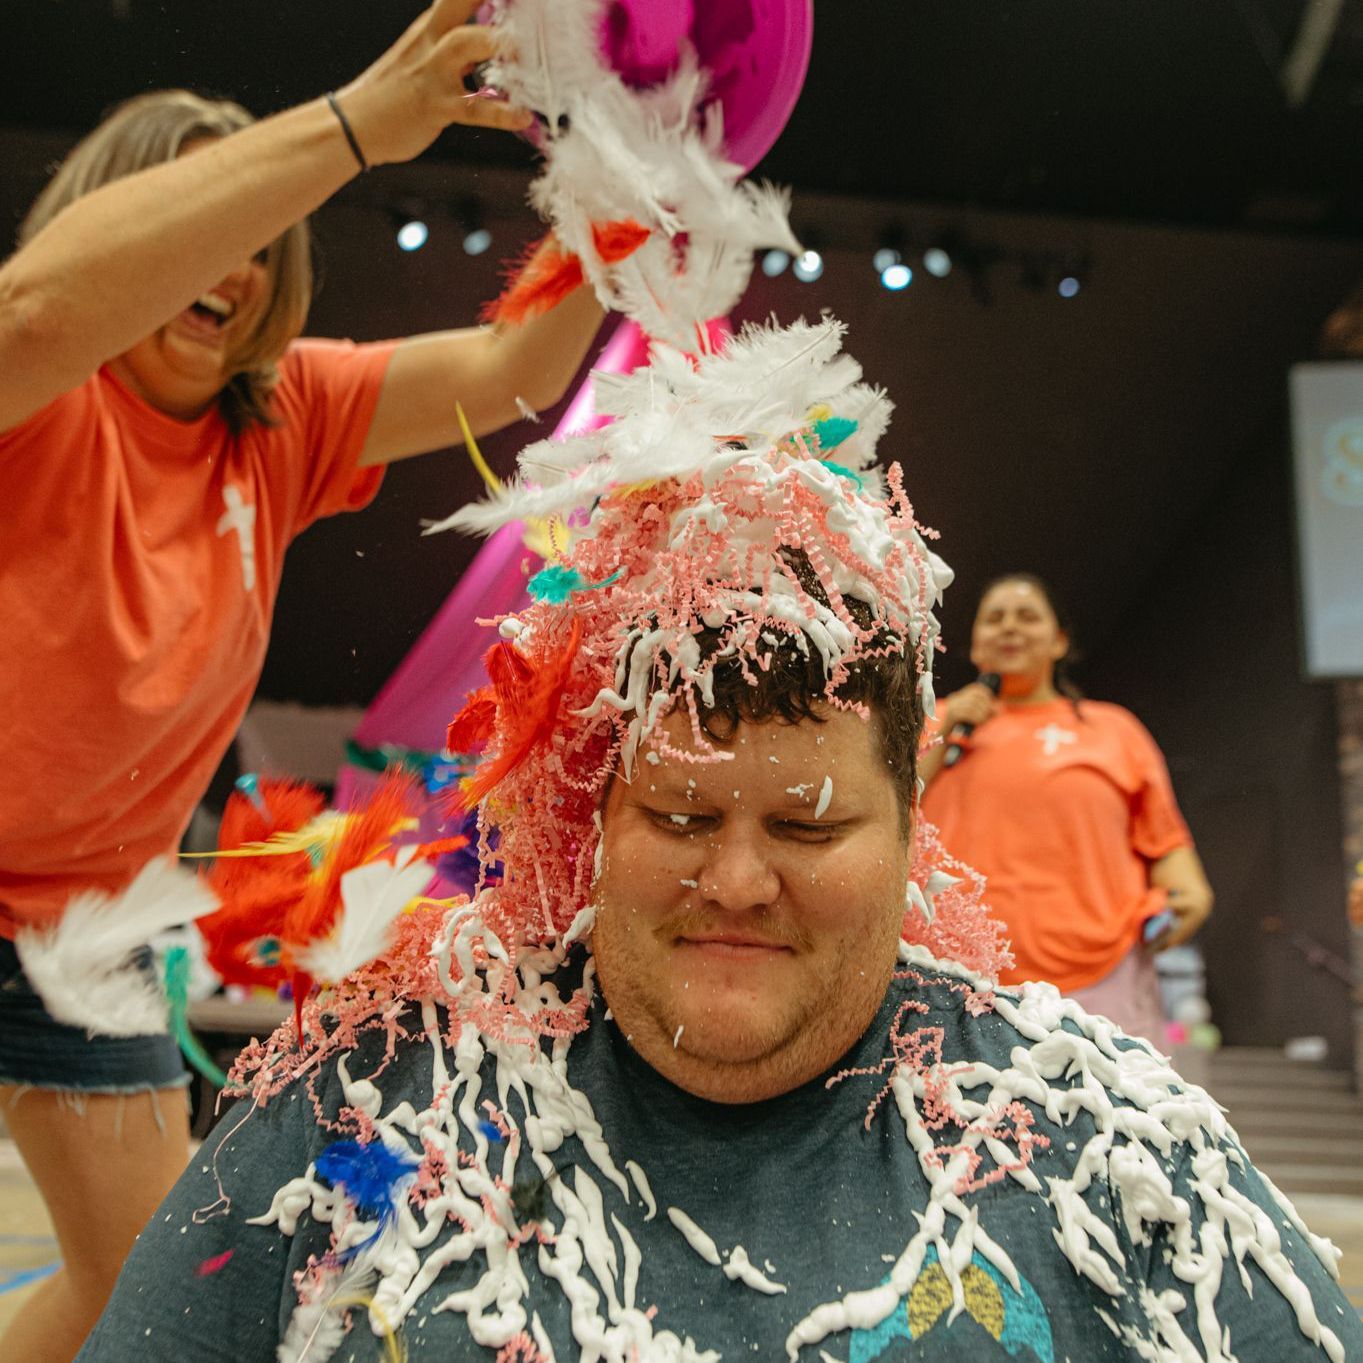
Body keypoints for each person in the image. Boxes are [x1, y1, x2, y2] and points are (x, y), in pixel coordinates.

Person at [77, 319, 1359, 1362]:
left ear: (911, 829)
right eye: (681, 815)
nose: (737, 880)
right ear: (592, 816)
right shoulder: (360, 1106)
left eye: (808, 824)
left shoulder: (1115, 1152)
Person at [0, 2, 605, 1356]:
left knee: (150, 1292)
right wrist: (353, 126)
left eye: (260, 244)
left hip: (81, 929)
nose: (231, 266)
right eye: (202, 224)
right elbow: (39, 303)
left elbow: (513, 369)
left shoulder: (281, 419)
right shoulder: (34, 378)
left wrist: (629, 186)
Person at [918, 573, 1214, 1042]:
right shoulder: (930, 722)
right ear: (974, 644)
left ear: (1059, 641)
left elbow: (1165, 841)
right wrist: (944, 723)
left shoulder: (1115, 731)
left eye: (1027, 616)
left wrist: (1189, 893)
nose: (1009, 627)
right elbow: (887, 808)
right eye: (995, 618)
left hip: (1101, 975)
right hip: (956, 976)